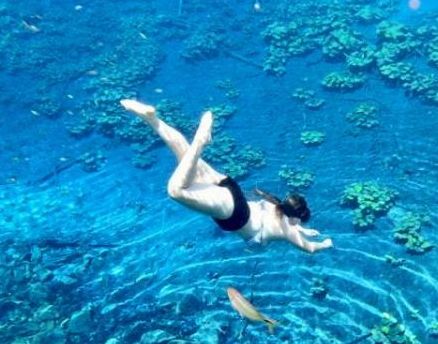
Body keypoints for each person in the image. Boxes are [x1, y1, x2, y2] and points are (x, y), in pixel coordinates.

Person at [120, 99, 333, 254]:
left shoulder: (276, 207)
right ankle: (201, 140)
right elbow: (310, 249)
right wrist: (325, 244)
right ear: (294, 218)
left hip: (230, 188)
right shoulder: (287, 231)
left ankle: (152, 119)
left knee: (183, 151)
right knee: (176, 191)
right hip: (233, 213)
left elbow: (295, 226)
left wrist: (305, 229)